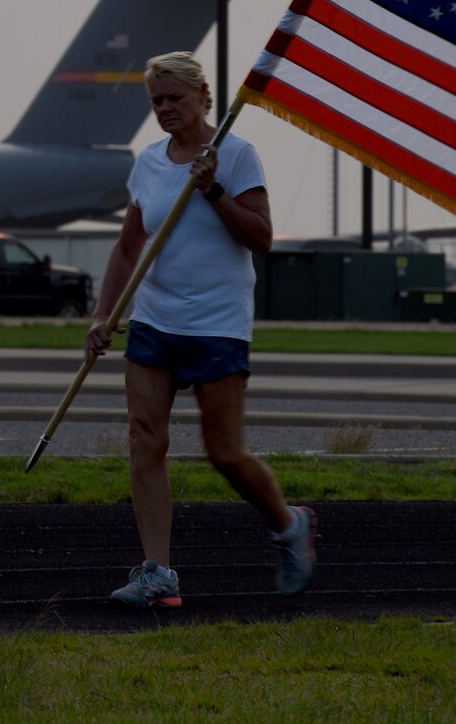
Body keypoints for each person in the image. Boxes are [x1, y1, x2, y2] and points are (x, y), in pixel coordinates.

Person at [86, 49, 316, 609]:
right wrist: (103, 314)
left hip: (217, 325)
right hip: (155, 321)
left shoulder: (235, 155)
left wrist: (212, 190)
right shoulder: (147, 163)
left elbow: (261, 238)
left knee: (224, 454)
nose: (164, 109)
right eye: (156, 101)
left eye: (174, 99)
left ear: (202, 98)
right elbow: (126, 248)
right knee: (146, 440)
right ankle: (158, 572)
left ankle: (290, 528)